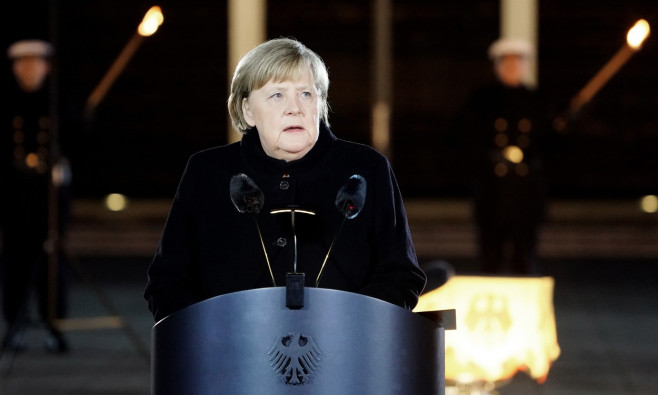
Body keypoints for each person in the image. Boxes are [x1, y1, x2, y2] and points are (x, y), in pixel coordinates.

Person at [144, 38, 426, 322]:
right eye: (277, 95)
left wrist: (349, 324)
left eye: (306, 94)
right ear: (247, 110)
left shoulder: (367, 168)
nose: (295, 108)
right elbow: (167, 281)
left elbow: (401, 275)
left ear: (321, 104)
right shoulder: (207, 172)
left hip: (347, 353)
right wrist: (205, 336)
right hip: (229, 355)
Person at [459, 38, 555, 275]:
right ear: (497, 66)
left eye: (518, 63)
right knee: (490, 254)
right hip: (492, 189)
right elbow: (468, 138)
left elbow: (549, 143)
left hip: (526, 190)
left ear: (525, 66)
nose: (513, 68)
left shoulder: (537, 99)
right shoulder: (482, 100)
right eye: (507, 63)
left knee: (524, 254)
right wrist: (492, 158)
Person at [0, 39, 71, 353]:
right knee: (15, 258)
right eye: (23, 64)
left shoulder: (57, 101)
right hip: (15, 191)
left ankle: (53, 325)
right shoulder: (6, 101)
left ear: (46, 67)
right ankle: (14, 324)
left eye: (35, 63)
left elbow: (76, 139)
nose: (29, 70)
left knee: (51, 258)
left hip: (49, 192)